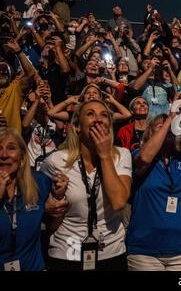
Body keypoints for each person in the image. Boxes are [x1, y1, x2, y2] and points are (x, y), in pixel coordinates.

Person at [40, 99, 132, 271]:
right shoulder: (56, 160)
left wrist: (105, 155)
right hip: (67, 252)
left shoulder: (121, 155)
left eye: (104, 115)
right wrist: (50, 206)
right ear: (77, 126)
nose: (98, 119)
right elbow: (46, 214)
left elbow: (119, 202)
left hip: (110, 251)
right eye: (90, 114)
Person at [126, 95, 181, 271]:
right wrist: (170, 117)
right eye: (161, 127)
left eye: (172, 128)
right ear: (151, 133)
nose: (168, 130)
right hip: (145, 252)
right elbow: (145, 158)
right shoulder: (137, 154)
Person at [0, 127, 68, 271]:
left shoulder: (39, 182)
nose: (4, 154)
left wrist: (58, 197)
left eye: (11, 148)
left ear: (23, 157)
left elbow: (53, 225)